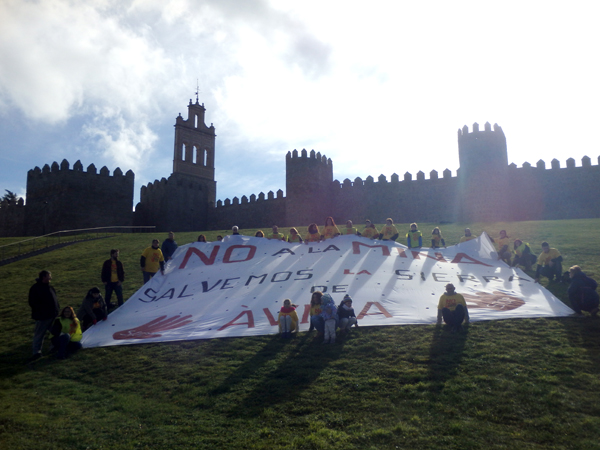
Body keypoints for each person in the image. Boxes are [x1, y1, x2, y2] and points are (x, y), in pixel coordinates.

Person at [28, 270, 60, 360]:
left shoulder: (50, 287)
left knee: (55, 332)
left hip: (53, 315)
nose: (51, 278)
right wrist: (42, 312)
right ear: (44, 277)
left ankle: (53, 347)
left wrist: (57, 310)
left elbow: (55, 300)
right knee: (39, 334)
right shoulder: (36, 288)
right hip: (43, 317)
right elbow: (32, 302)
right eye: (49, 276)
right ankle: (36, 352)